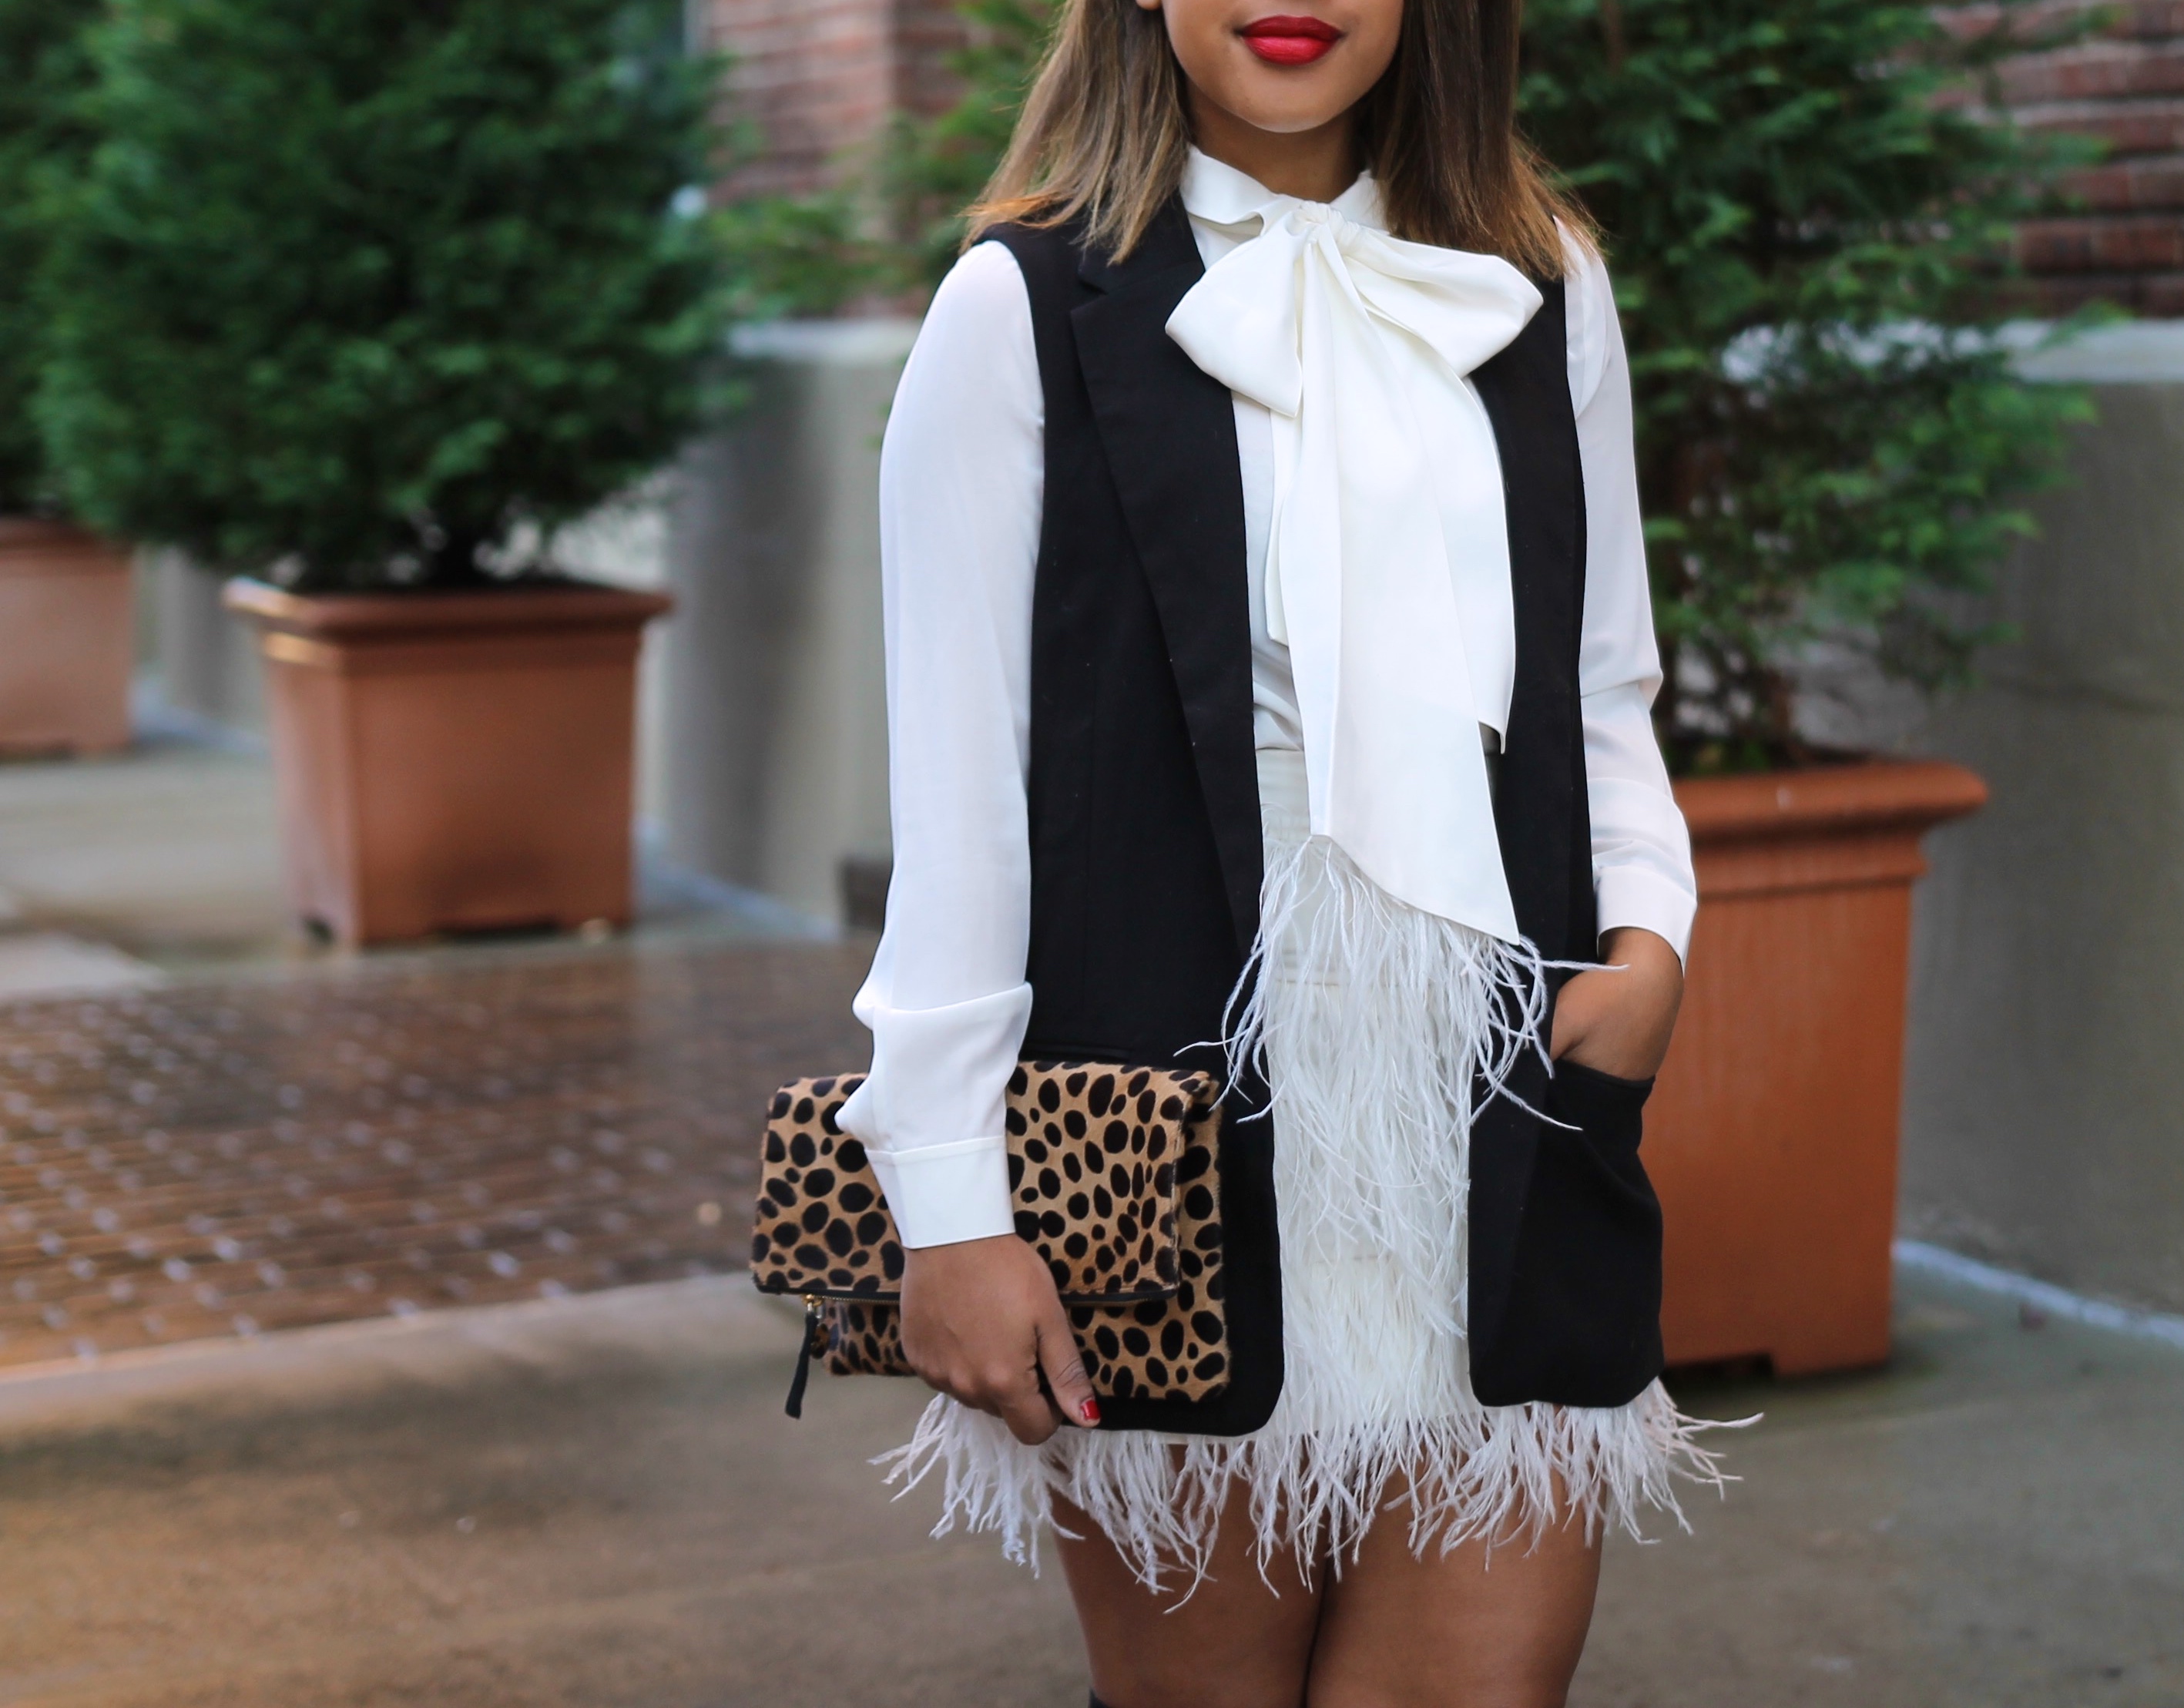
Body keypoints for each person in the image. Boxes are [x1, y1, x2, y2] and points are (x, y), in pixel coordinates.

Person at [834, 1, 1734, 1700]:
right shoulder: (1017, 310)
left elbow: (1604, 679)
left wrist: (1652, 941)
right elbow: (960, 787)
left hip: (1504, 1117)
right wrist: (947, 1204)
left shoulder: (1542, 285)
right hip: (1182, 1132)